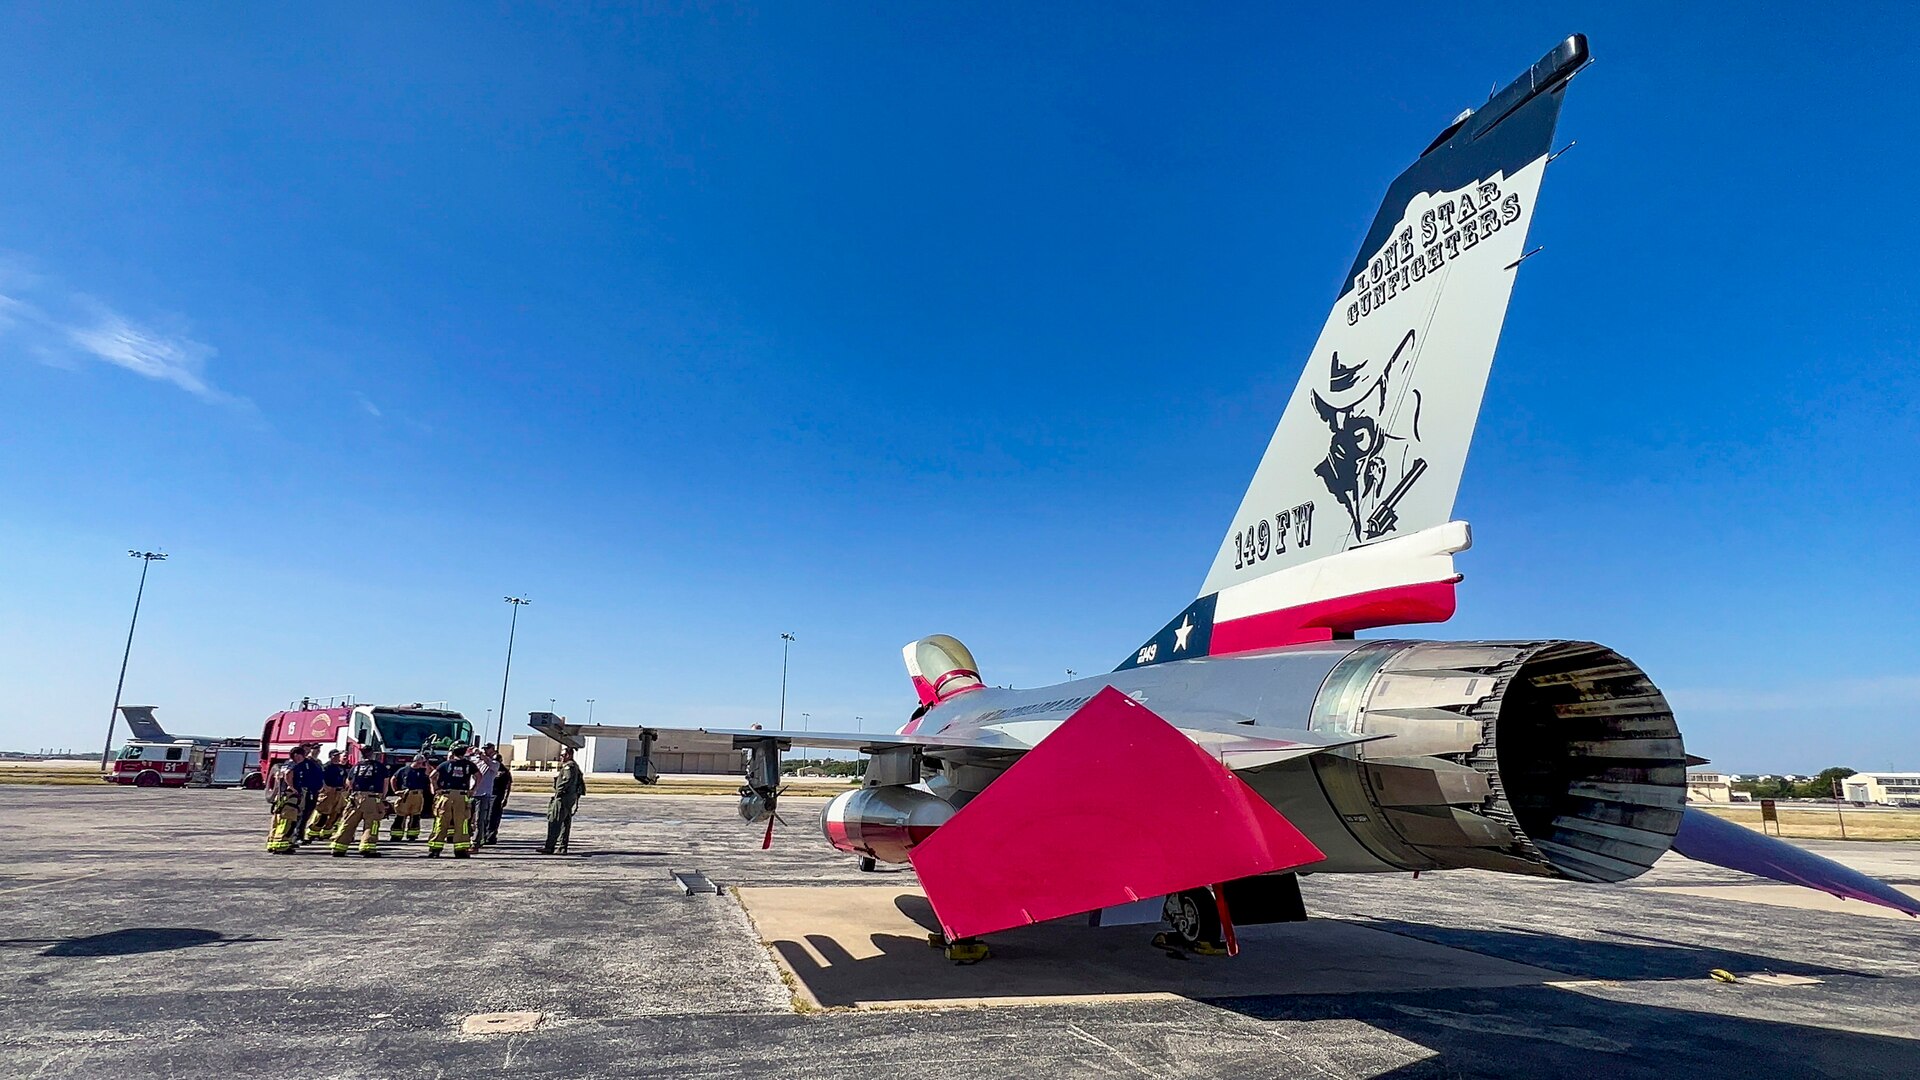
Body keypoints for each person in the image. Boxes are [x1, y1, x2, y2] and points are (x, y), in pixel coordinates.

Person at [330, 752, 391, 858]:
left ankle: (338, 847)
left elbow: (348, 782)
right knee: (372, 824)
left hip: (356, 798)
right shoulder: (380, 767)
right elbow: (385, 783)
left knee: (348, 822)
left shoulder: (356, 766)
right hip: (372, 798)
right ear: (373, 755)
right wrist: (383, 798)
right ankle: (367, 847)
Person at [425, 744, 476, 858]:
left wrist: (436, 789)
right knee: (461, 823)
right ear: (464, 753)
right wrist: (473, 790)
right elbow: (479, 776)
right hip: (461, 796)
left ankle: (435, 850)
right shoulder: (469, 765)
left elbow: (432, 776)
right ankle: (460, 850)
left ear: (453, 753)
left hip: (445, 796)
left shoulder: (445, 765)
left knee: (441, 822)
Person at [541, 747, 587, 854]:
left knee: (555, 821)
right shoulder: (574, 766)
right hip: (569, 798)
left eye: (562, 755)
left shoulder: (569, 767)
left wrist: (559, 791)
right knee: (565, 823)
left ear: (568, 755)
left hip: (563, 798)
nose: (561, 757)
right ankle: (562, 847)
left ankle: (549, 846)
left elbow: (567, 780)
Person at [265, 746, 307, 854]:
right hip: (290, 797)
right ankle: (281, 845)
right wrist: (293, 789)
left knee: (277, 821)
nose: (304, 757)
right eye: (303, 755)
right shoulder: (293, 765)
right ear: (297, 755)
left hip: (282, 796)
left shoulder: (284, 764)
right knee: (288, 821)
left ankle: (272, 843)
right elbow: (288, 775)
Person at [387, 754, 431, 841]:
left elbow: (430, 773)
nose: (420, 765)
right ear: (415, 761)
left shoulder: (423, 771)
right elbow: (393, 779)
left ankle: (412, 835)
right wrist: (396, 791)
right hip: (406, 794)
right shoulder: (404, 770)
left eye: (422, 763)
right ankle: (396, 835)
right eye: (419, 762)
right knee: (400, 815)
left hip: (418, 795)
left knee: (415, 816)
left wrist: (427, 763)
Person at [306, 750, 349, 839]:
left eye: (338, 755)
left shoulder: (340, 767)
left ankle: (327, 831)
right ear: (330, 757)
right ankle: (313, 831)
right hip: (329, 792)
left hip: (339, 792)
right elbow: (321, 778)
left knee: (335, 813)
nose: (337, 757)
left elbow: (344, 778)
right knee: (323, 813)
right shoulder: (326, 766)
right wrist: (325, 787)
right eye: (335, 756)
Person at [288, 743, 325, 845]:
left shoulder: (314, 762)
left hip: (313, 791)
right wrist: (292, 788)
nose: (315, 750)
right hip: (302, 792)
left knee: (306, 814)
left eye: (317, 749)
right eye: (312, 749)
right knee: (299, 815)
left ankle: (300, 835)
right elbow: (288, 774)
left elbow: (319, 775)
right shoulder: (298, 763)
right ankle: (295, 836)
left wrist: (321, 786)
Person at [468, 744, 500, 851]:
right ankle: (465, 840)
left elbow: (490, 763)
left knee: (479, 820)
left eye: (488, 749)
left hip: (483, 795)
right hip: (471, 793)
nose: (486, 751)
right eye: (484, 749)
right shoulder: (477, 761)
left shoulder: (494, 764)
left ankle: (476, 843)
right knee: (467, 819)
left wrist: (481, 755)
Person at [486, 754, 513, 844]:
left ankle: (491, 836)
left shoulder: (504, 771)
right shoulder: (490, 768)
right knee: (486, 816)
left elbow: (508, 786)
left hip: (498, 795)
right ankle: (485, 835)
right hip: (488, 794)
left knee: (493, 816)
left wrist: (505, 798)